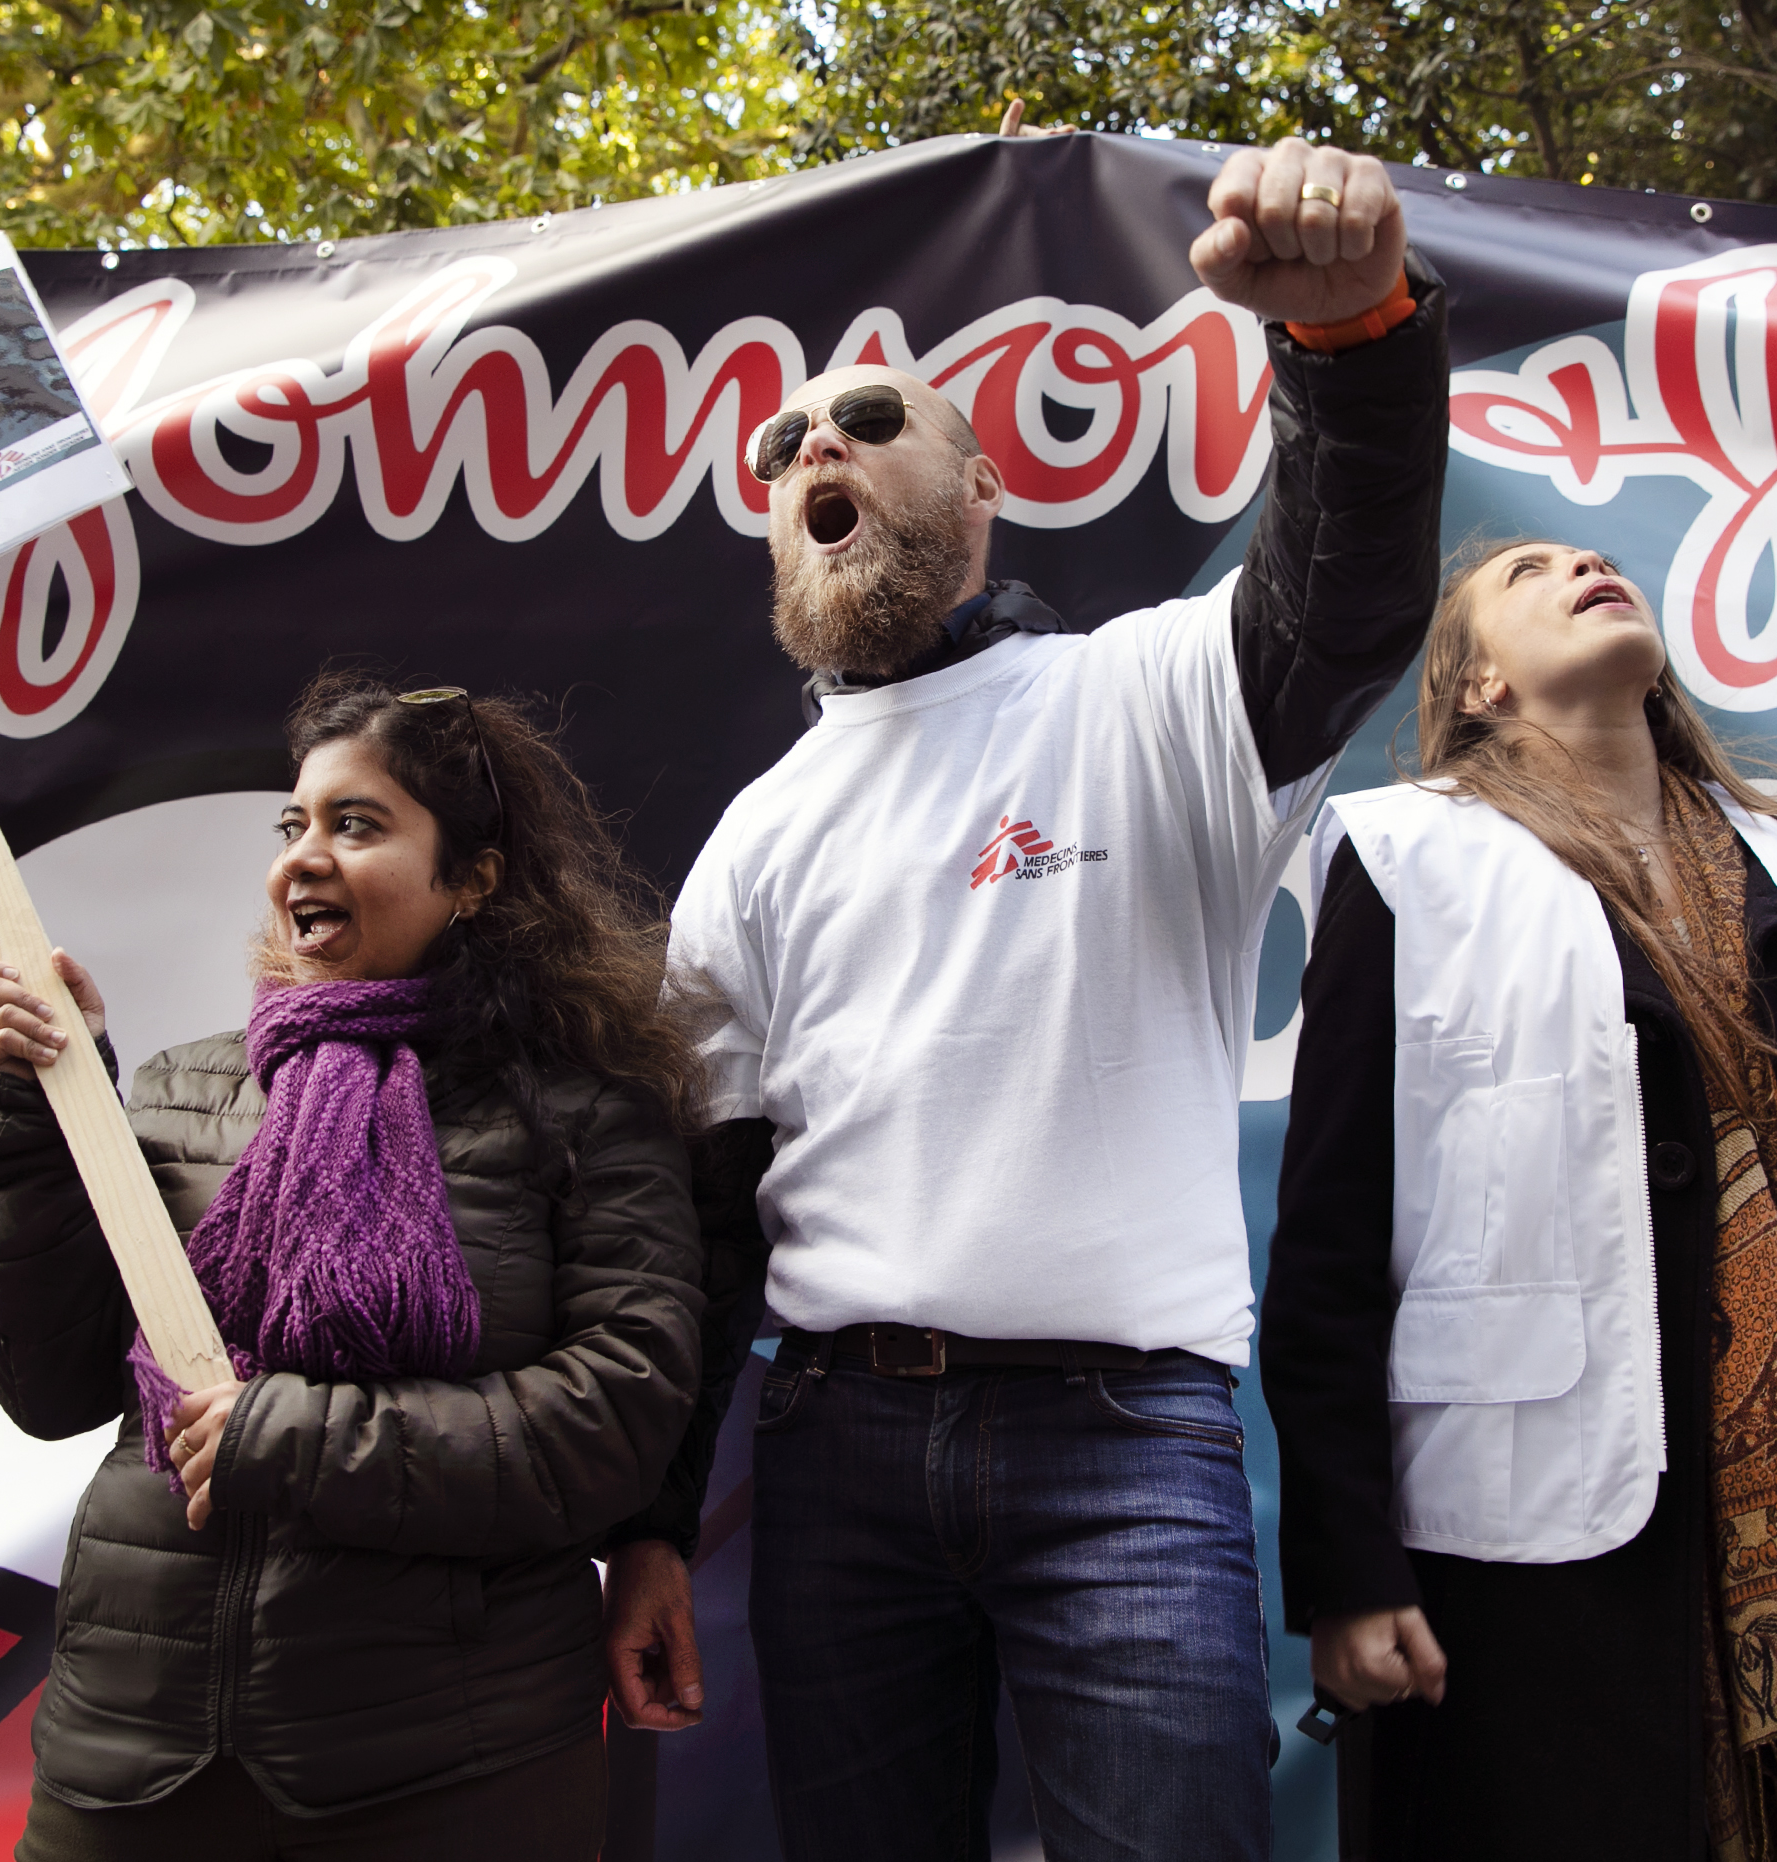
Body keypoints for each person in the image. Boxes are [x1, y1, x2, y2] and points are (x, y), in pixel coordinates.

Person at [597, 135, 1451, 1860]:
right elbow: (696, 1219)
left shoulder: (1142, 690)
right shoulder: (753, 839)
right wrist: (659, 1526)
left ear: (978, 490)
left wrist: (1349, 345)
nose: (810, 443)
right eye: (778, 448)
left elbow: (1345, 598)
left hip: (1122, 1451)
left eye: (862, 419)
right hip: (832, 1449)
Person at [1262, 538, 1777, 1860]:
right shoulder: (1404, 856)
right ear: (1479, 680)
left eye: (1597, 557)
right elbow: (1329, 1240)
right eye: (1531, 571)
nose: (1586, 565)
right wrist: (1346, 1566)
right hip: (1555, 1514)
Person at [0, 675, 702, 1861]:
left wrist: (294, 1441)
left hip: (453, 1770)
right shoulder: (173, 1090)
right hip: (134, 1759)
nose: (303, 855)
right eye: (293, 823)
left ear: (475, 878)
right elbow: (48, 1383)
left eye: (356, 824)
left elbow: (616, 1423)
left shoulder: (584, 1113)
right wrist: (39, 1123)